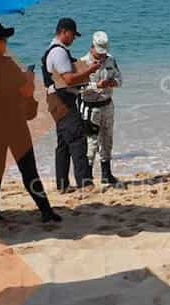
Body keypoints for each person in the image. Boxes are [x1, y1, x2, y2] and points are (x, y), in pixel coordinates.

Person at [0, 22, 61, 223]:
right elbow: (26, 90)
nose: (6, 44)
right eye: (3, 39)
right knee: (28, 168)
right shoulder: (6, 64)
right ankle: (46, 211)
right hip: (13, 123)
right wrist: (28, 76)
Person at [42, 18, 101, 192]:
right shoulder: (59, 52)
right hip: (62, 100)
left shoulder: (51, 50)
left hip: (54, 99)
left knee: (64, 143)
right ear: (64, 32)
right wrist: (88, 71)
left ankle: (62, 184)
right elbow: (67, 79)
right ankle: (85, 183)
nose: (73, 39)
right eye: (73, 35)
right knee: (77, 139)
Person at [78, 31, 121, 186]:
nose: (102, 56)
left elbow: (120, 80)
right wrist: (97, 85)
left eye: (104, 52)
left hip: (107, 105)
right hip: (90, 108)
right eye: (99, 52)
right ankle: (87, 178)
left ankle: (106, 174)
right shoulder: (82, 62)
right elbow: (78, 88)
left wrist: (111, 83)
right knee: (91, 143)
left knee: (107, 140)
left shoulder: (111, 60)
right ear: (92, 48)